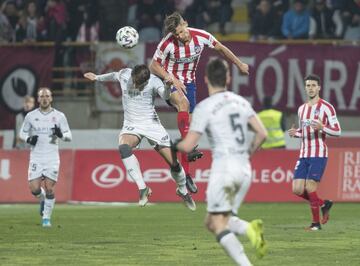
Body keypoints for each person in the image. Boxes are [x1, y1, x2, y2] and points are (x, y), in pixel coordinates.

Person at [172, 58, 267, 265]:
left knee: (217, 223)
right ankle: (248, 229)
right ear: (228, 78)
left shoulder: (205, 107)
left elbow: (188, 146)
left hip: (224, 169)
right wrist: (247, 154)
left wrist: (173, 146)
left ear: (205, 79)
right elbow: (261, 133)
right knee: (214, 221)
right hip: (244, 169)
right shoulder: (241, 101)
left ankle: (249, 239)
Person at [149, 11, 249, 194]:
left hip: (190, 85)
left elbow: (221, 48)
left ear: (185, 23)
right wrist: (170, 77)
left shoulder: (201, 36)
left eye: (181, 31)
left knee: (192, 124)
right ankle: (188, 148)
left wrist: (240, 64)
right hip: (170, 83)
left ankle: (186, 175)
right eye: (177, 34)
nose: (180, 36)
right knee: (184, 105)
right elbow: (153, 65)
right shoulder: (167, 43)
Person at [84, 64, 196, 210]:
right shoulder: (125, 74)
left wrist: (168, 86)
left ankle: (182, 190)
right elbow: (113, 75)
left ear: (147, 80)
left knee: (173, 163)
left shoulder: (155, 81)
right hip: (131, 124)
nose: (136, 85)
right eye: (134, 81)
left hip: (152, 125)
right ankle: (143, 188)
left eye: (140, 84)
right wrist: (97, 78)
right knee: (123, 147)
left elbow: (166, 96)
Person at [288, 74, 341, 231]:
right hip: (303, 153)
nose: (310, 88)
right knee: (297, 189)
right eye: (308, 85)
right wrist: (295, 133)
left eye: (313, 85)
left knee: (310, 187)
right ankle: (324, 203)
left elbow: (338, 131)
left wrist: (322, 127)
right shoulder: (301, 109)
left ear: (319, 87)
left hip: (318, 153)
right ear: (305, 88)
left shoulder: (327, 107)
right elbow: (304, 131)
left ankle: (315, 224)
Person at [19, 87, 72, 227]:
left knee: (50, 187)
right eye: (42, 96)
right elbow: (22, 134)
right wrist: (29, 139)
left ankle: (46, 219)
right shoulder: (30, 116)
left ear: (51, 98)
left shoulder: (60, 116)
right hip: (36, 156)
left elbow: (69, 136)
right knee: (34, 188)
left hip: (52, 157)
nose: (44, 98)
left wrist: (61, 135)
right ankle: (41, 198)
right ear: (38, 99)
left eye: (47, 96)